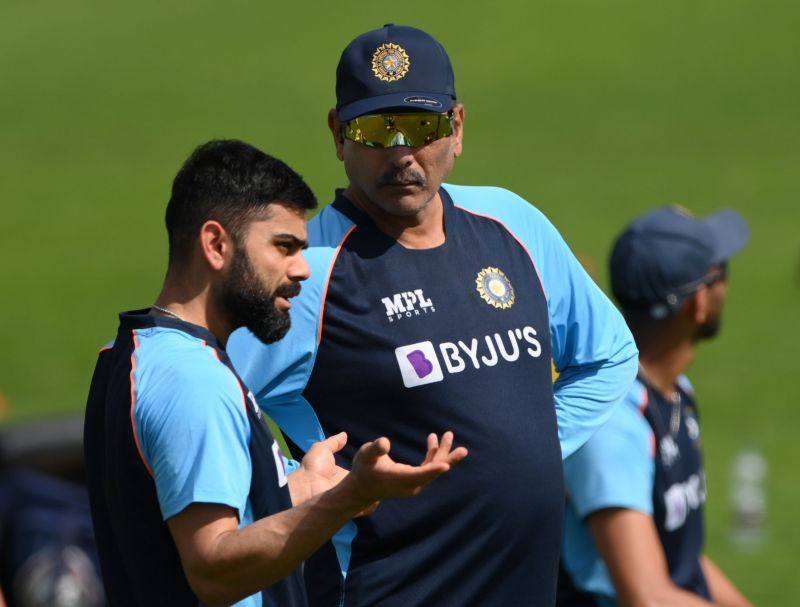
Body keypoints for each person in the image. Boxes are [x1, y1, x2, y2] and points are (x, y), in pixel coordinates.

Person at [228, 24, 639, 606]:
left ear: (458, 127)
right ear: (339, 134)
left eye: (421, 127)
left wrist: (528, 447)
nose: (401, 152)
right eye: (375, 130)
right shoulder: (309, 271)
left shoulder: (511, 224)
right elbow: (209, 405)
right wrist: (279, 496)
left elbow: (609, 355)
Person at [83, 139, 467, 607]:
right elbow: (214, 570)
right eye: (284, 247)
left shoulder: (128, 354)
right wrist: (345, 501)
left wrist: (301, 486)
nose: (303, 270)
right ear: (216, 244)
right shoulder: (194, 381)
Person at [558, 206, 754, 606]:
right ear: (697, 303)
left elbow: (680, 557)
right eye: (722, 274)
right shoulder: (613, 424)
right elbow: (647, 597)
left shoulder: (674, 390)